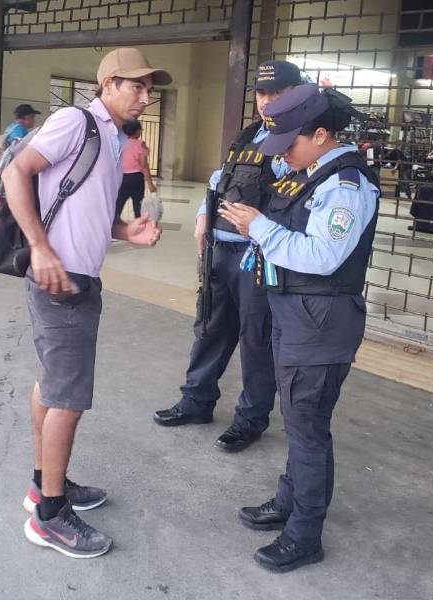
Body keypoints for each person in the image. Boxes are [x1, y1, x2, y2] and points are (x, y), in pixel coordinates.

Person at [1, 47, 168, 559]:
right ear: (108, 83)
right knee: (69, 399)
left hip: (74, 275)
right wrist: (41, 248)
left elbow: (82, 205)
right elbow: (15, 172)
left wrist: (124, 230)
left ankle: (45, 484)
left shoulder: (111, 137)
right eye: (135, 86)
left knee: (52, 386)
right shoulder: (77, 121)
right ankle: (50, 515)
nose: (144, 96)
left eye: (148, 88)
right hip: (60, 279)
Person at [218, 84, 381, 573]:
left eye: (291, 143)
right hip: (300, 316)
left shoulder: (345, 186)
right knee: (298, 421)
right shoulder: (316, 172)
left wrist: (259, 229)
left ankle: (305, 534)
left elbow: (323, 257)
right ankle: (289, 501)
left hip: (321, 321)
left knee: (308, 429)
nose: (284, 153)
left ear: (323, 134)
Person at [152, 60, 301, 453]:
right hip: (220, 249)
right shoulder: (250, 134)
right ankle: (196, 401)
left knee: (257, 340)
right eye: (262, 93)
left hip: (258, 255)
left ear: (296, 96)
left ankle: (250, 419)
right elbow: (221, 178)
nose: (267, 101)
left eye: (277, 93)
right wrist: (203, 217)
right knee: (210, 329)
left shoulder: (298, 140)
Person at [116, 120, 156, 219]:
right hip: (136, 179)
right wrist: (150, 184)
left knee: (118, 204)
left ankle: (112, 227)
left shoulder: (119, 143)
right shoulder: (140, 144)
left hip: (121, 178)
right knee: (138, 205)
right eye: (141, 129)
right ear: (137, 131)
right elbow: (143, 165)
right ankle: (139, 226)